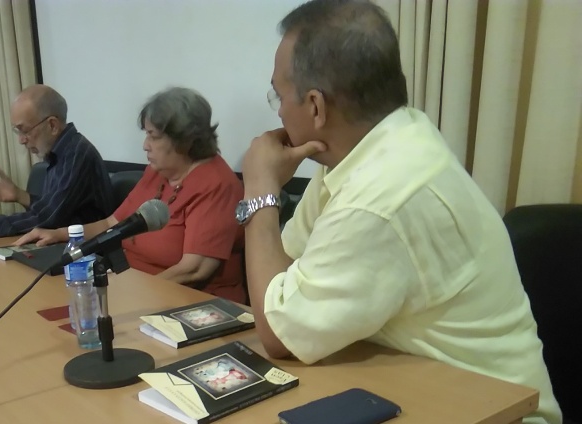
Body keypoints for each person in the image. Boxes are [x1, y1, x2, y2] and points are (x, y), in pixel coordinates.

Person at [238, 1, 561, 423]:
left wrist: (259, 188)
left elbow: (279, 332)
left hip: (498, 413)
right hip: (413, 390)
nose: (278, 111)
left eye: (279, 96)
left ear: (316, 106)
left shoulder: (382, 194)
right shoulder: (373, 145)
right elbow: (283, 286)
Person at [16, 87, 246, 304]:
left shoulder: (217, 185)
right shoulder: (159, 172)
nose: (145, 145)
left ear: (184, 140)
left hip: (191, 303)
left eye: (153, 136)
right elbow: (112, 223)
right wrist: (58, 234)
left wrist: (128, 295)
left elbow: (193, 269)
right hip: (135, 290)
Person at [0, 84, 114, 241]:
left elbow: (48, 219)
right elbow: (51, 208)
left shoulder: (76, 154)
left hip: (89, 257)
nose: (21, 140)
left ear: (52, 125)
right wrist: (19, 195)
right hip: (63, 245)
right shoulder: (61, 151)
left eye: (24, 130)